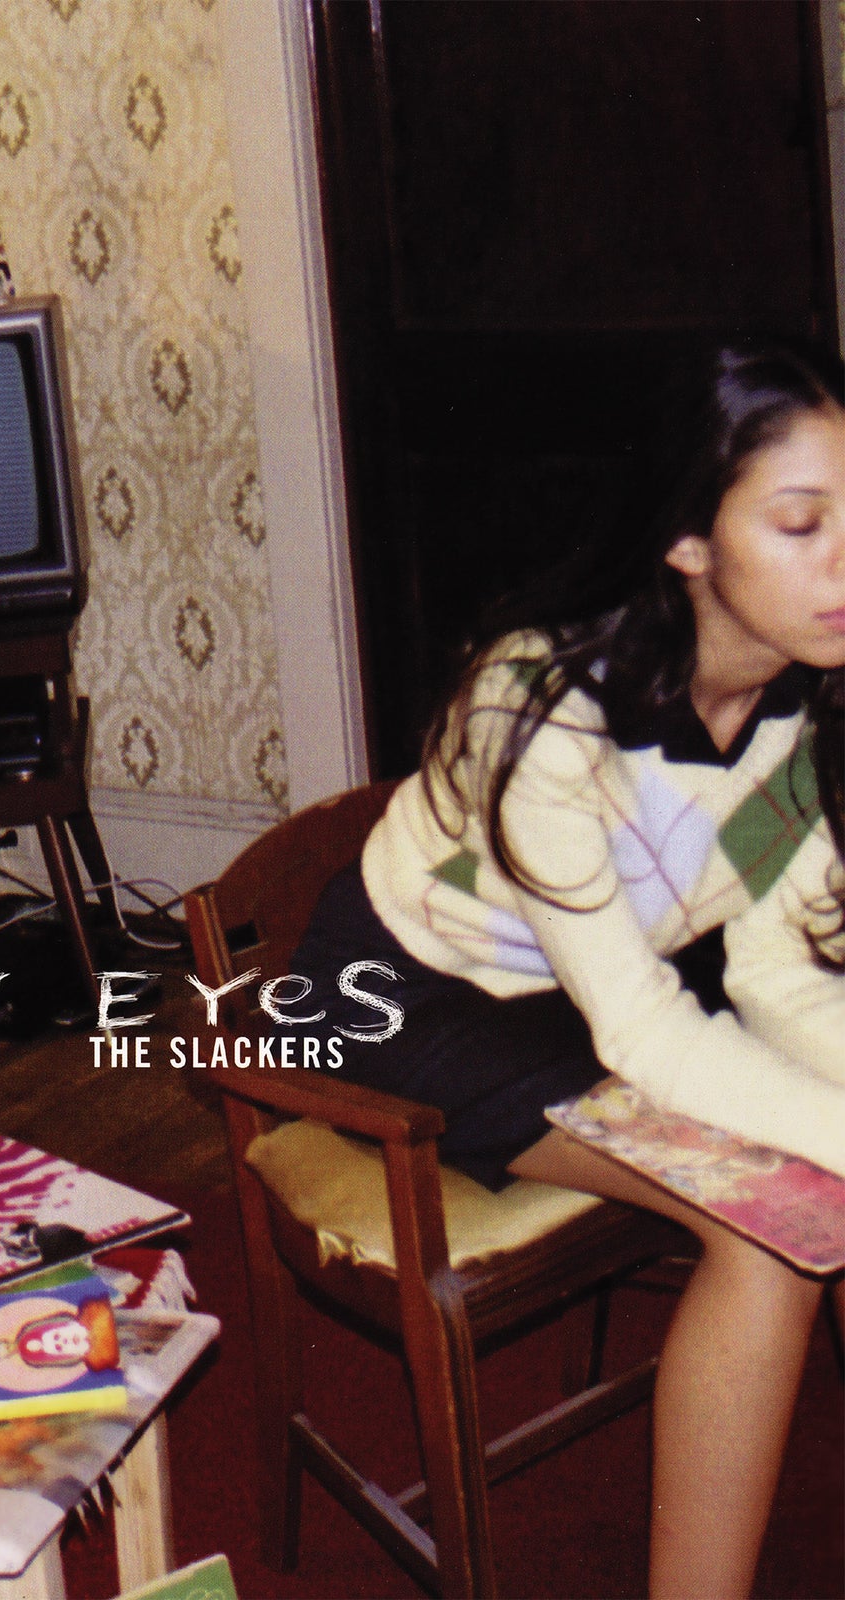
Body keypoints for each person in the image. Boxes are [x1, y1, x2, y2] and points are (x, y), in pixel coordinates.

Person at [289, 339, 845, 1598]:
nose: (844, 561)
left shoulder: (804, 706)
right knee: (774, 1233)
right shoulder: (541, 708)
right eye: (803, 523)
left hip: (585, 993)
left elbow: (777, 974)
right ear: (688, 541)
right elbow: (645, 1031)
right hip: (403, 999)